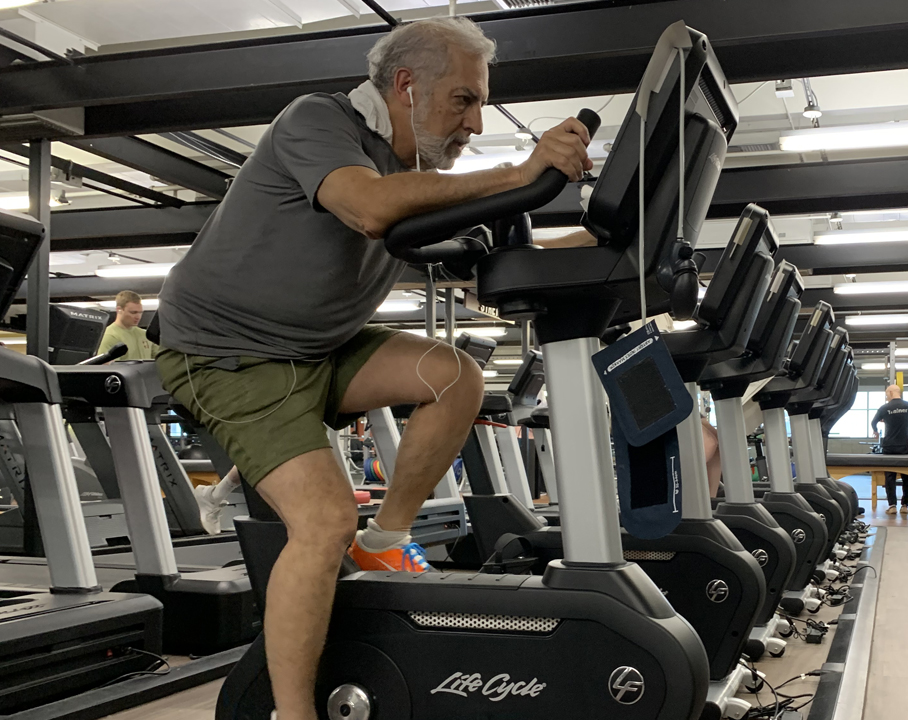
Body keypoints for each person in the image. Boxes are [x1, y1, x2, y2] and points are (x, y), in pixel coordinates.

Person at [152, 18, 593, 720]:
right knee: (323, 522)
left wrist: (603, 241)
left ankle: (384, 542)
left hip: (319, 347)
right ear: (407, 86)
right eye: (464, 100)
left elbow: (487, 273)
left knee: (456, 377)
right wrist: (518, 172)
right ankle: (290, 714)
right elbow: (363, 208)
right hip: (228, 353)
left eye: (481, 105)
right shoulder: (317, 121)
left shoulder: (412, 171)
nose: (476, 122)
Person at [870, 385, 908, 515]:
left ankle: (892, 505)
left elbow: (873, 422)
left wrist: (876, 431)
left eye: (886, 394)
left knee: (890, 476)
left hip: (890, 446)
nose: (886, 397)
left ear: (890, 392)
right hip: (906, 444)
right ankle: (905, 505)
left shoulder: (885, 408)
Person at [96, 290, 159, 360]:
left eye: (140, 312)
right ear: (119, 310)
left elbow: (159, 360)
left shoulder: (146, 335)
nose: (138, 316)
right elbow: (107, 368)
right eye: (133, 312)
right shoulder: (110, 336)